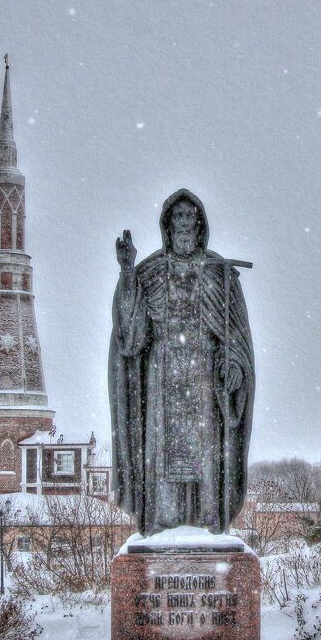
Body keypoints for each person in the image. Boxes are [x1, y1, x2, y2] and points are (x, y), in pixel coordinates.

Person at [109, 189, 255, 536]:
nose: (185, 225)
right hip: (162, 378)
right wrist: (128, 271)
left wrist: (234, 365)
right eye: (179, 218)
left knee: (205, 453)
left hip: (204, 377)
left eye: (191, 218)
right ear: (168, 226)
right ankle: (165, 522)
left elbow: (235, 334)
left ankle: (205, 523)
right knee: (162, 454)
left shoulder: (218, 272)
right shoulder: (151, 273)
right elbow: (131, 337)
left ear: (200, 225)